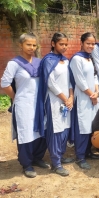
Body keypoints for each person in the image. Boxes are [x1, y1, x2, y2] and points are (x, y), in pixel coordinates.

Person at [0, 33, 48, 178]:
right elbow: (4, 83)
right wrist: (15, 97)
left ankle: (37, 157)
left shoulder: (39, 62)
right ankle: (26, 164)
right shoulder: (14, 63)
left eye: (34, 45)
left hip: (39, 103)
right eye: (28, 44)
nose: (31, 48)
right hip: (23, 104)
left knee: (42, 131)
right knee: (26, 133)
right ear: (21, 45)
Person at [35, 32, 74, 177]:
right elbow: (50, 83)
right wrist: (65, 98)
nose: (64, 47)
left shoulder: (66, 60)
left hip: (66, 101)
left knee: (65, 129)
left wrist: (71, 96)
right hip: (53, 101)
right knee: (56, 131)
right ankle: (56, 163)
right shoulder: (48, 61)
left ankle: (61, 156)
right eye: (61, 44)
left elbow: (70, 81)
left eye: (66, 44)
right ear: (53, 44)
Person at [69, 32, 99, 170]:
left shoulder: (90, 58)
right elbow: (80, 81)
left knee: (90, 126)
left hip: (92, 97)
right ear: (81, 43)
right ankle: (80, 156)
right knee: (82, 126)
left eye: (93, 44)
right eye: (88, 43)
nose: (91, 46)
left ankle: (88, 151)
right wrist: (91, 95)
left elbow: (94, 77)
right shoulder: (77, 59)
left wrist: (97, 92)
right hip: (82, 98)